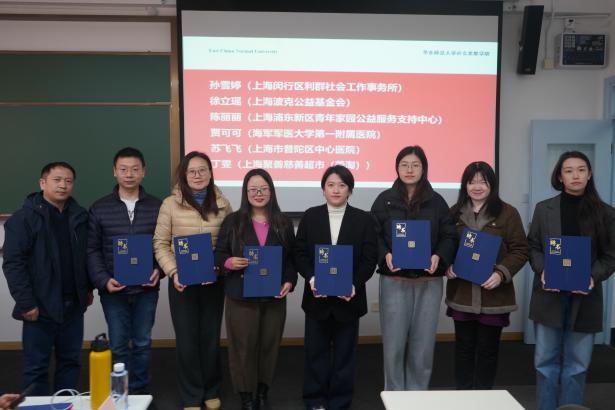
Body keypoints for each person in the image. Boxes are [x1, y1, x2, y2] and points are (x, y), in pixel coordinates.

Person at [528, 151, 615, 410]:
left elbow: (610, 256)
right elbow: (533, 247)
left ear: (589, 175)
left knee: (577, 366)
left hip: (585, 297)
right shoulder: (544, 209)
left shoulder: (606, 213)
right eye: (568, 170)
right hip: (549, 295)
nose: (575, 175)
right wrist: (543, 270)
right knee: (545, 363)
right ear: (560, 176)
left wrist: (592, 276)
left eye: (581, 169)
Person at [2, 162, 93, 395]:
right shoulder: (23, 219)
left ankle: (65, 405)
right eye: (57, 180)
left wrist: (87, 289)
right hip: (39, 307)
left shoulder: (80, 216)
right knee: (36, 368)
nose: (63, 185)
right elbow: (13, 264)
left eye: (68, 181)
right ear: (42, 183)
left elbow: (86, 256)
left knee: (70, 363)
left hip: (73, 306)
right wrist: (26, 303)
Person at [371, 145, 456, 391]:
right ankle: (395, 396)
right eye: (404, 165)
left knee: (423, 345)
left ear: (424, 168)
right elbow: (374, 234)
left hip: (428, 282)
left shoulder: (437, 201)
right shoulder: (384, 200)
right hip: (394, 281)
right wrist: (385, 254)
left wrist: (439, 256)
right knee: (393, 345)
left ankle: (417, 396)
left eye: (415, 165)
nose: (409, 170)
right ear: (397, 168)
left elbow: (449, 235)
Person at [153, 151, 232, 410]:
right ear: (184, 175)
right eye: (192, 171)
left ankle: (211, 389)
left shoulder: (223, 204)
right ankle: (191, 394)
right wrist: (174, 272)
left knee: (210, 337)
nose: (197, 175)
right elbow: (160, 244)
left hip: (213, 282)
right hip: (182, 283)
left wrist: (218, 267)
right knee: (187, 340)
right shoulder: (170, 204)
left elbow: (230, 243)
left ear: (210, 173)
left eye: (202, 170)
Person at [295, 165, 377, 410]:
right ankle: (315, 399)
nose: (336, 190)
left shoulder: (363, 219)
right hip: (316, 298)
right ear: (323, 189)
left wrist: (353, 284)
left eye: (342, 185)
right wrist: (311, 278)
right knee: (315, 353)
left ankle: (340, 401)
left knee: (345, 355)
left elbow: (369, 259)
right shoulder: (311, 216)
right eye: (331, 185)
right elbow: (299, 253)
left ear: (350, 190)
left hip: (349, 299)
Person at [215, 168, 296, 410]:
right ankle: (246, 395)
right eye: (253, 189)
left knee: (269, 346)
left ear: (271, 191)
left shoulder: (283, 222)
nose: (258, 193)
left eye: (263, 189)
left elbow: (291, 259)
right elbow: (219, 254)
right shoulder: (233, 221)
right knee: (243, 348)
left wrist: (289, 281)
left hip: (273, 296)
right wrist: (229, 262)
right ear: (246, 192)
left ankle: (262, 391)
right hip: (241, 296)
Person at [445, 161, 528, 389]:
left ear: (492, 184)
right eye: (472, 182)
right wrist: (447, 266)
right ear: (465, 185)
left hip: (494, 296)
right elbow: (445, 245)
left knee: (488, 350)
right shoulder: (454, 213)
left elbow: (521, 249)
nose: (477, 186)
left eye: (483, 181)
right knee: (463, 349)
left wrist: (501, 273)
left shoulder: (508, 213)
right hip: (462, 294)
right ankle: (463, 397)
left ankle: (484, 397)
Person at [87, 147, 162, 393]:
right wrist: (103, 280)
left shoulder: (158, 206)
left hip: (146, 289)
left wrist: (159, 270)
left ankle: (139, 392)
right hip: (114, 290)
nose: (129, 174)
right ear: (115, 172)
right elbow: (92, 250)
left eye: (135, 169)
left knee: (142, 343)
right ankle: (120, 393)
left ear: (143, 172)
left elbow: (165, 244)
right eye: (123, 169)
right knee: (118, 344)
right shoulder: (99, 208)